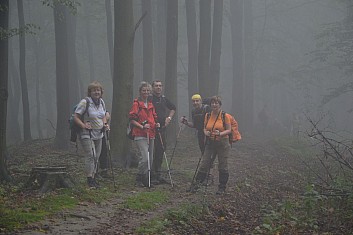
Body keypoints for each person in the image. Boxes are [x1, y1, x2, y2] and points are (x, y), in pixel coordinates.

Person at [190, 96, 231, 195]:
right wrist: (205, 132)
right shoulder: (207, 115)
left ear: (220, 104)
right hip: (210, 142)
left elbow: (229, 130)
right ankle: (197, 185)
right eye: (212, 103)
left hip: (223, 143)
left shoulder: (225, 115)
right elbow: (204, 128)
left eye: (216, 103)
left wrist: (220, 133)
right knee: (205, 163)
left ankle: (222, 187)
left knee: (222, 164)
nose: (214, 105)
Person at [74, 81, 109, 188]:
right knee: (91, 156)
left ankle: (94, 178)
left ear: (101, 92)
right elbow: (76, 116)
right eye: (94, 90)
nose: (96, 92)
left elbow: (105, 114)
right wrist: (83, 125)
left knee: (96, 157)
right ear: (90, 92)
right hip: (86, 133)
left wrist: (105, 123)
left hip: (99, 133)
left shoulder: (101, 102)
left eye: (98, 90)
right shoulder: (85, 102)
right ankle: (89, 179)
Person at [129, 81, 160, 187]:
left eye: (147, 90)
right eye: (144, 90)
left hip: (151, 133)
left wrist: (156, 124)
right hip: (140, 133)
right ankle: (139, 177)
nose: (146, 92)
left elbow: (154, 117)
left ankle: (146, 178)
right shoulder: (136, 104)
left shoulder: (151, 104)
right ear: (140, 91)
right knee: (145, 157)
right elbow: (132, 120)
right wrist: (142, 126)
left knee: (150, 158)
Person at [150, 80, 176, 184]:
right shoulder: (149, 98)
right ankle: (150, 174)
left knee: (161, 150)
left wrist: (169, 118)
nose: (158, 87)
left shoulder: (164, 99)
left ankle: (158, 173)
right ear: (152, 87)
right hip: (151, 129)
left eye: (160, 86)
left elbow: (173, 108)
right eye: (156, 86)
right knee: (152, 151)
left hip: (162, 129)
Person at [98, 111, 111, 178]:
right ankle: (95, 172)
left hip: (101, 132)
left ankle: (104, 170)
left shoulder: (101, 104)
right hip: (91, 132)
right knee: (95, 153)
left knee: (103, 150)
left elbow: (105, 115)